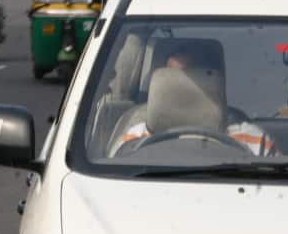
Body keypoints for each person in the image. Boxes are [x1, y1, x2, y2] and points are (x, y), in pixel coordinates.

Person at [110, 49, 276, 157]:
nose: (180, 88)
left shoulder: (255, 141)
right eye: (171, 79)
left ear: (211, 83)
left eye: (190, 80)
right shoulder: (134, 138)